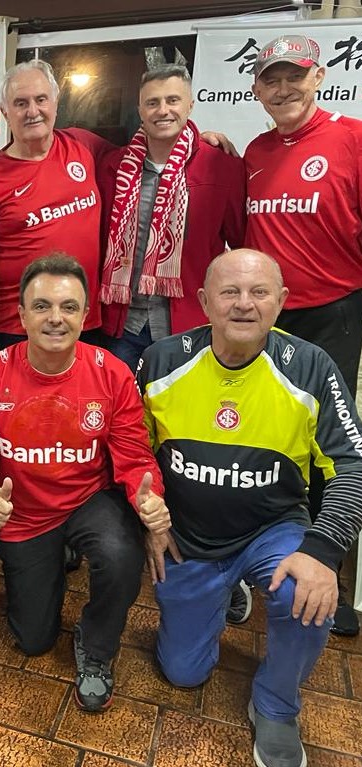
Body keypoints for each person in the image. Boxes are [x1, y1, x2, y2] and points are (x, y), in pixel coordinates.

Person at [138, 249, 362, 767]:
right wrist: (148, 516)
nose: (244, 304)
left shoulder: (310, 366)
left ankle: (277, 705)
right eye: (230, 292)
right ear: (204, 302)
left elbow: (351, 465)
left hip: (272, 530)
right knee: (183, 673)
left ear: (280, 302)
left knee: (306, 591)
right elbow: (131, 450)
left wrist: (323, 551)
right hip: (189, 538)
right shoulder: (161, 360)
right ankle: (222, 591)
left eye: (259, 293)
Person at [0, 254, 170, 712]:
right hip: (24, 511)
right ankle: (51, 557)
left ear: (85, 315)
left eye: (69, 307)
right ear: (21, 315)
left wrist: (149, 500)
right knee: (33, 640)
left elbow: (134, 456)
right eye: (42, 306)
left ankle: (97, 647)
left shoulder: (111, 372)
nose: (56, 318)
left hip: (88, 499)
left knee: (121, 554)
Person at [246, 34, 362, 636]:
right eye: (272, 79)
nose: (284, 88)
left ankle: (328, 577)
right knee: (267, 439)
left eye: (295, 76)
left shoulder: (353, 138)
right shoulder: (256, 151)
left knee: (330, 451)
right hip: (270, 320)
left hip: (334, 314)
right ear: (257, 89)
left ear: (319, 76)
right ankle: (263, 560)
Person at [0, 60, 111, 365]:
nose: (33, 111)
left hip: (83, 322)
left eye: (41, 99)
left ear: (55, 102)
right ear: (5, 112)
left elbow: (142, 155)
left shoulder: (83, 145)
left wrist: (198, 139)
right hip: (17, 328)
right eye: (20, 103)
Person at [100, 65, 246, 371]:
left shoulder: (223, 167)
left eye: (173, 100)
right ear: (140, 110)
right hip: (122, 326)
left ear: (190, 105)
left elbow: (242, 245)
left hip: (190, 324)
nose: (163, 110)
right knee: (122, 402)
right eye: (152, 102)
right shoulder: (113, 168)